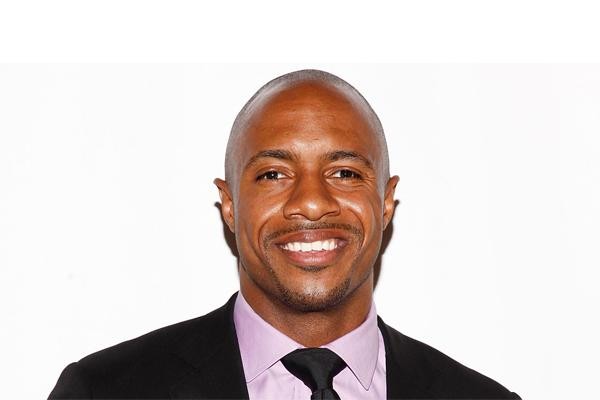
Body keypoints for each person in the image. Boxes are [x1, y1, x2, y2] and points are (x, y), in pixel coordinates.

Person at [49, 69, 520, 399]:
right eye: (273, 174)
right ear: (229, 204)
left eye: (345, 173)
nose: (311, 202)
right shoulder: (104, 391)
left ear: (385, 202)